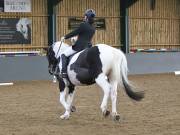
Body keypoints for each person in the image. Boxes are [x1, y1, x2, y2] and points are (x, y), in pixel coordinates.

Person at [60, 9, 96, 78]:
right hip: (88, 47)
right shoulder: (93, 27)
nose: (84, 17)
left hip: (79, 47)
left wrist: (65, 37)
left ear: (86, 17)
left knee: (63, 54)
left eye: (85, 16)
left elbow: (75, 32)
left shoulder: (83, 24)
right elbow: (84, 36)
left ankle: (64, 72)